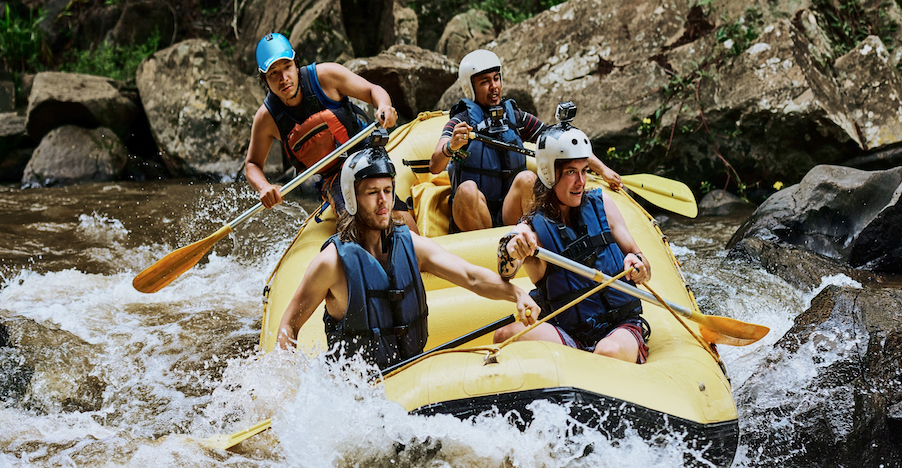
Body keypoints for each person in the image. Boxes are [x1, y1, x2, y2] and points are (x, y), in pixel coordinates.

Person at [277, 146, 540, 369]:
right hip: (357, 392)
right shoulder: (331, 263)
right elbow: (289, 324)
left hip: (410, 374)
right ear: (352, 197)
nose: (384, 201)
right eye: (372, 192)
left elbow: (471, 276)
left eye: (388, 190)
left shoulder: (410, 245)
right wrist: (287, 384)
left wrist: (517, 295)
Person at [493, 122, 652, 364]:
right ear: (549, 174)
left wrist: (637, 264)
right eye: (571, 172)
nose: (581, 181)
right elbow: (507, 264)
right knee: (505, 336)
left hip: (621, 326)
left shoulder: (603, 205)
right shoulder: (532, 229)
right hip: (569, 336)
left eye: (584, 171)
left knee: (607, 352)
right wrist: (512, 249)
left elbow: (642, 262)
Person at [430, 49, 621, 232]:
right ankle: (486, 251)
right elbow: (435, 166)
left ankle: (526, 239)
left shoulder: (516, 117)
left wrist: (603, 170)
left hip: (510, 210)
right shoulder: (460, 122)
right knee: (466, 190)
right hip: (475, 212)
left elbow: (563, 143)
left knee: (528, 178)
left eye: (496, 78)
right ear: (470, 87)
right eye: (485, 82)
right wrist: (451, 146)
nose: (494, 86)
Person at [244, 32, 415, 230]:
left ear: (296, 64)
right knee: (352, 223)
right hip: (333, 176)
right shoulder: (267, 118)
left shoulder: (325, 76)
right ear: (264, 79)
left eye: (287, 67)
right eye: (273, 73)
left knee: (390, 208)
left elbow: (372, 90)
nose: (284, 78)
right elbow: (252, 164)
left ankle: (416, 250)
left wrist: (384, 106)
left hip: (366, 153)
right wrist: (264, 187)